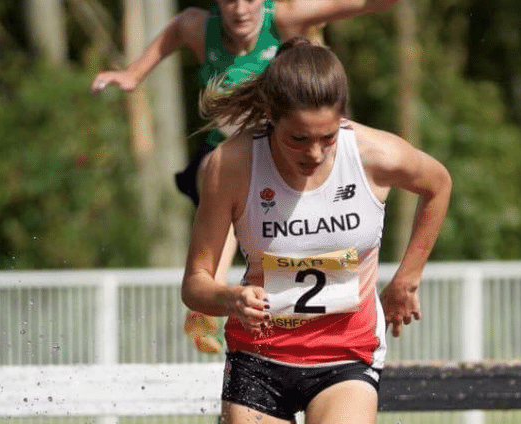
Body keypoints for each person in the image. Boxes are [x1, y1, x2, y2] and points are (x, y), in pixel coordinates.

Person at [181, 38, 451, 424]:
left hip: (344, 356)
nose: (314, 153)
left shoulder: (372, 153)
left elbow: (438, 184)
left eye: (327, 136)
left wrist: (406, 278)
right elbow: (196, 285)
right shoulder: (233, 165)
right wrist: (231, 298)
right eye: (297, 139)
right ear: (270, 116)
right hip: (260, 359)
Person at [91, 0, 401, 354]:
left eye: (251, 0)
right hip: (228, 157)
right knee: (224, 185)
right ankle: (205, 300)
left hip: (285, 158)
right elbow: (173, 33)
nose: (240, 10)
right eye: (230, 1)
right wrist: (133, 74)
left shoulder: (285, 18)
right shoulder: (198, 27)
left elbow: (352, 5)